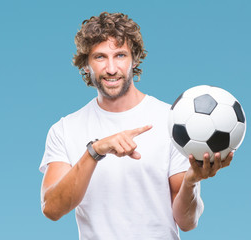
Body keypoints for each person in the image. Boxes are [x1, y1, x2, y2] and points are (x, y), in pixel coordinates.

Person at [39, 12, 233, 240]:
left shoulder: (172, 121)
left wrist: (191, 181)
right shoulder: (65, 129)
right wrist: (95, 151)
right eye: (100, 57)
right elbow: (52, 209)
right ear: (86, 64)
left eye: (120, 55)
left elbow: (187, 222)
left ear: (135, 59)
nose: (111, 69)